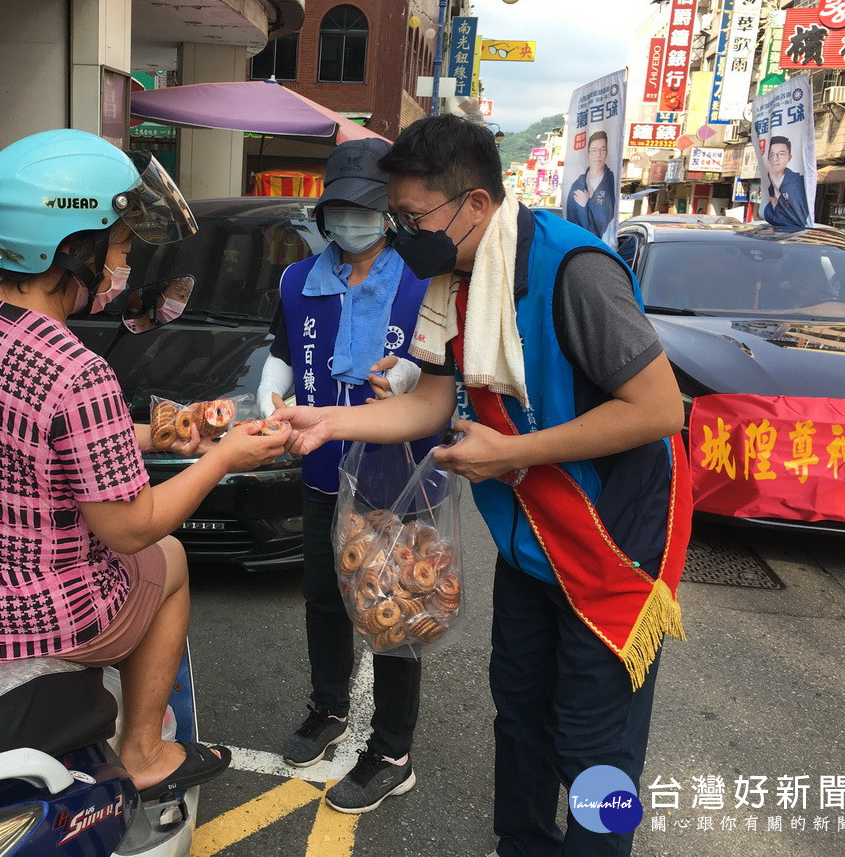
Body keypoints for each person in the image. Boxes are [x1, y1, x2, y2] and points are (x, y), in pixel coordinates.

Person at [272, 115, 690, 857]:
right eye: (393, 217)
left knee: (595, 745)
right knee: (521, 714)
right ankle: (524, 842)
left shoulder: (572, 272)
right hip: (531, 542)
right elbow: (431, 400)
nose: (401, 234)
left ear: (474, 205)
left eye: (410, 216)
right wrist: (327, 423)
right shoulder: (452, 275)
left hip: (610, 545)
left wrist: (512, 452)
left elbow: (659, 411)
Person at [0, 129, 290, 800]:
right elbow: (129, 527)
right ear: (72, 248)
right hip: (8, 619)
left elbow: (42, 438)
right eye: (119, 246)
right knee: (169, 561)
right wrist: (227, 454)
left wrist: (171, 434)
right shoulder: (76, 369)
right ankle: (145, 752)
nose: (125, 265)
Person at [257, 137, 435, 814]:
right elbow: (281, 349)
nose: (350, 222)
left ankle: (393, 751)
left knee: (393, 615)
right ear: (325, 212)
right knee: (325, 599)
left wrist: (414, 379)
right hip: (321, 469)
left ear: (388, 211)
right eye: (339, 209)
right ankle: (329, 708)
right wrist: (270, 395)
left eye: (364, 209)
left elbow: (444, 371)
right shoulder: (298, 279)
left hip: (398, 478)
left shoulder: (423, 280)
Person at [565, 130, 616, 240]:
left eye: (602, 150)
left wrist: (587, 204)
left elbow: (604, 223)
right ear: (588, 154)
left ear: (607, 152)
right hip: (577, 244)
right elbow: (570, 220)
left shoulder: (611, 182)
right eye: (594, 150)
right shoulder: (577, 184)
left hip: (600, 247)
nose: (598, 155)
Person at [762, 135, 811, 228]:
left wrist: (777, 204)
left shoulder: (799, 182)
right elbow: (766, 212)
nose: (775, 158)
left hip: (796, 234)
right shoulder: (769, 185)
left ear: (789, 158)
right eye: (772, 154)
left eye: (781, 154)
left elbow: (800, 216)